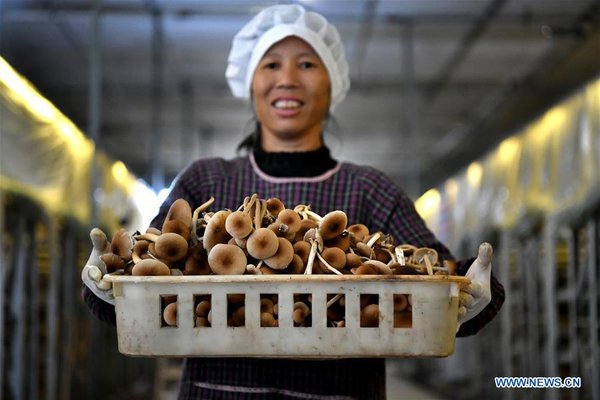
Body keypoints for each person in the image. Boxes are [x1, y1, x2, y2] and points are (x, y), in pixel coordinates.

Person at [81, 4, 505, 399]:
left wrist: (474, 289)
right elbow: (145, 281)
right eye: (271, 64)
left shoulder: (371, 189)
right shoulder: (205, 178)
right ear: (250, 82)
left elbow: (442, 277)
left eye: (306, 64)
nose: (287, 78)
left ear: (331, 82)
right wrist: (107, 283)